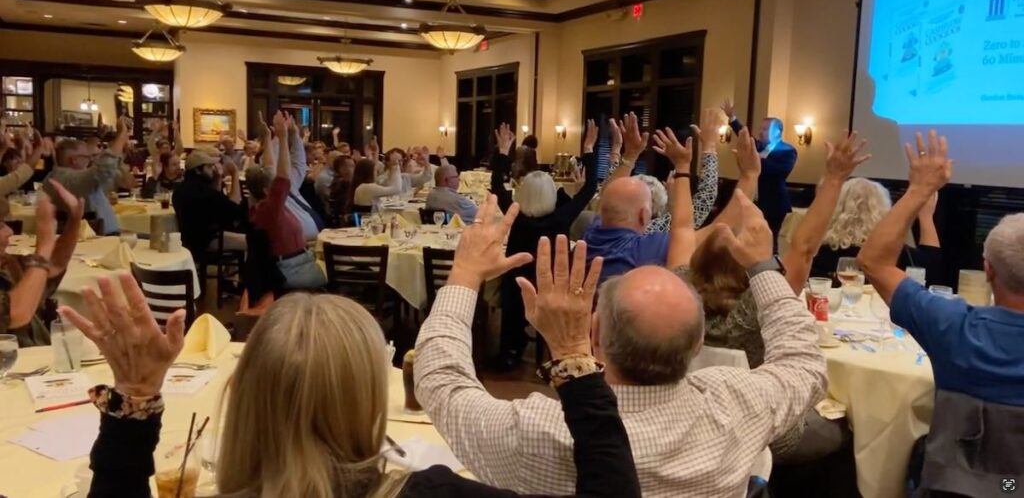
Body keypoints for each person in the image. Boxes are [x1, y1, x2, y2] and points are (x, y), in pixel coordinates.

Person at [62, 202, 642, 498]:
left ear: (244, 397)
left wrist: (136, 402)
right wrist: (572, 354)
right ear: (369, 398)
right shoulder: (428, 494)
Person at [416, 178, 826, 497]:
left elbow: (441, 382)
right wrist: (762, 269)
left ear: (594, 335)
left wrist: (465, 274)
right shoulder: (739, 405)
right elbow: (803, 361)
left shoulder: (537, 431)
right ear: (697, 344)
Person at [684, 132, 869, 463]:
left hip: (694, 418)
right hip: (766, 430)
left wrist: (748, 177)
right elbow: (805, 245)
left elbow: (688, 230)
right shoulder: (763, 299)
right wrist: (835, 179)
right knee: (852, 426)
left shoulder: (679, 288)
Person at [858, 131, 1024, 493]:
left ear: (988, 269)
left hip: (952, 487)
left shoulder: (951, 325)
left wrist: (918, 191)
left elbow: (872, 262)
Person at [584, 120, 761, 286]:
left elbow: (604, 201)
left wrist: (629, 155)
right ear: (645, 214)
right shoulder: (650, 244)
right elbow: (718, 229)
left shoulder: (593, 234)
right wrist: (749, 176)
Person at [490, 121, 598, 370]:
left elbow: (497, 185)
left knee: (511, 288)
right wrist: (589, 149)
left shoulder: (515, 213)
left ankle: (510, 351)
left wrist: (504, 151)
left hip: (517, 284)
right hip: (549, 285)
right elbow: (590, 188)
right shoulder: (562, 217)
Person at [244, 111, 326, 291]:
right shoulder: (269, 207)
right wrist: (281, 138)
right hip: (293, 267)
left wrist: (291, 134)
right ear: (268, 190)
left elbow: (295, 165)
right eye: (274, 184)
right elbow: (281, 175)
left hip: (305, 255)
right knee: (337, 270)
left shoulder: (285, 194)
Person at [810, 177, 940, 283]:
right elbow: (931, 265)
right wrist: (926, 216)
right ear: (885, 211)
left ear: (837, 209)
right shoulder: (894, 255)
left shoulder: (816, 253)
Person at [0, 181, 83, 346]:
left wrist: (74, 220)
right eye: (0, 226)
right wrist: (45, 243)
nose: (9, 232)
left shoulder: (7, 264)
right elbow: (16, 313)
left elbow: (52, 266)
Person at [723, 99, 798, 243]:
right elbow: (745, 136)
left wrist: (755, 158)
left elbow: (780, 171)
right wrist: (732, 118)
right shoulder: (759, 146)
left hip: (775, 205)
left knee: (772, 243)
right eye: (761, 128)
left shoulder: (788, 150)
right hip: (755, 202)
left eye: (765, 129)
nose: (760, 132)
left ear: (777, 132)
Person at [46, 117, 130, 235]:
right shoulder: (68, 179)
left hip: (103, 234)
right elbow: (103, 169)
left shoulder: (55, 176)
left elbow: (87, 149)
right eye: (86, 157)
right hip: (102, 239)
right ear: (74, 160)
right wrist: (121, 135)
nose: (90, 160)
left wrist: (98, 135)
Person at [172, 150, 245, 258]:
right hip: (208, 241)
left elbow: (216, 202)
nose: (213, 170)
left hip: (189, 241)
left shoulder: (179, 189)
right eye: (209, 167)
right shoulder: (204, 192)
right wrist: (235, 173)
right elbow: (233, 209)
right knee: (255, 241)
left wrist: (217, 178)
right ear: (198, 170)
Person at [327, 154, 356, 220]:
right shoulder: (341, 184)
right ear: (341, 169)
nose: (354, 169)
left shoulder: (343, 182)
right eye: (351, 166)